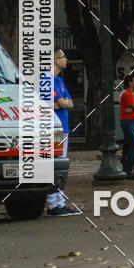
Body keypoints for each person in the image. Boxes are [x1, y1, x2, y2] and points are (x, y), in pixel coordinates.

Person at [45, 49, 79, 216]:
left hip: (62, 127)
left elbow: (70, 103)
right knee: (55, 164)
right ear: (55, 60)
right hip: (53, 128)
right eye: (63, 57)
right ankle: (53, 204)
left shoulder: (59, 80)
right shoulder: (48, 79)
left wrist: (63, 102)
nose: (66, 60)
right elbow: (63, 103)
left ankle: (59, 202)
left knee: (60, 164)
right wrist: (63, 102)